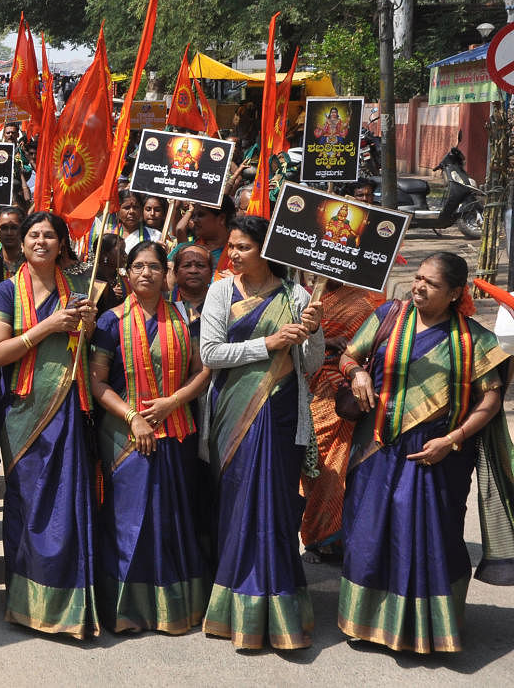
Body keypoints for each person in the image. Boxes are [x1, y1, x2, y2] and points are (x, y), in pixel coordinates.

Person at [337, 253, 514, 653]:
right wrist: (358, 372)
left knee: (431, 539)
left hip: (440, 454)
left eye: (430, 283)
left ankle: (427, 631)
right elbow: (349, 354)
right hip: (379, 447)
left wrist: (454, 439)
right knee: (370, 534)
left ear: (454, 293)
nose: (418, 286)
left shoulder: (475, 339)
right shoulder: (388, 317)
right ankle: (367, 623)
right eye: (417, 278)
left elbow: (490, 400)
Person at [199, 215, 324, 650]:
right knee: (237, 506)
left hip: (283, 412)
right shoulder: (220, 290)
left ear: (265, 250)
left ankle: (281, 612)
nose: (232, 255)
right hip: (232, 414)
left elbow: (311, 364)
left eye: (242, 248)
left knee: (275, 506)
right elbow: (210, 352)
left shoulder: (298, 294)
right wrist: (267, 344)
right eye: (230, 247)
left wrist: (311, 330)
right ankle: (234, 611)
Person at [0, 211, 100, 638]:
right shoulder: (5, 291)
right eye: (33, 234)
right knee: (27, 505)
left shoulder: (81, 290)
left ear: (61, 244)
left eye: (49, 235)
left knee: (67, 505)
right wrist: (47, 326)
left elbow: (91, 353)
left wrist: (87, 327)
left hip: (68, 409)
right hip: (23, 412)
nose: (39, 241)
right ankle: (24, 601)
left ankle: (67, 604)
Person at [90, 241, 211, 633]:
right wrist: (134, 418)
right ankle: (127, 611)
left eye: (155, 267)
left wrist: (172, 403)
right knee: (129, 520)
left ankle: (173, 609)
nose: (146, 273)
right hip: (125, 435)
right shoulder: (110, 321)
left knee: (173, 518)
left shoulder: (184, 318)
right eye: (138, 266)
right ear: (126, 274)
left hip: (177, 430)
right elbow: (96, 381)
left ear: (168, 274)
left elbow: (202, 371)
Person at [299, 281, 384, 564]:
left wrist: (346, 353)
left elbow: (371, 346)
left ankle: (331, 537)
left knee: (341, 463)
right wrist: (321, 341)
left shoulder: (364, 302)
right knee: (315, 463)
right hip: (310, 387)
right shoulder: (302, 294)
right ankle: (314, 534)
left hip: (346, 391)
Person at [169, 196, 234, 274]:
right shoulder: (181, 250)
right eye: (193, 216)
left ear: (221, 218)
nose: (195, 220)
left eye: (201, 215)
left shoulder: (236, 256)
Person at [170, 243, 214, 322]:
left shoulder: (222, 302)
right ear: (175, 273)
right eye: (187, 265)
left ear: (211, 274)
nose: (193, 271)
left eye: (200, 265)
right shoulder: (163, 302)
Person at [0, 206, 26, 286]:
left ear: (22, 230)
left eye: (14, 228)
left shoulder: (31, 264)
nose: (9, 233)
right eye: (4, 228)